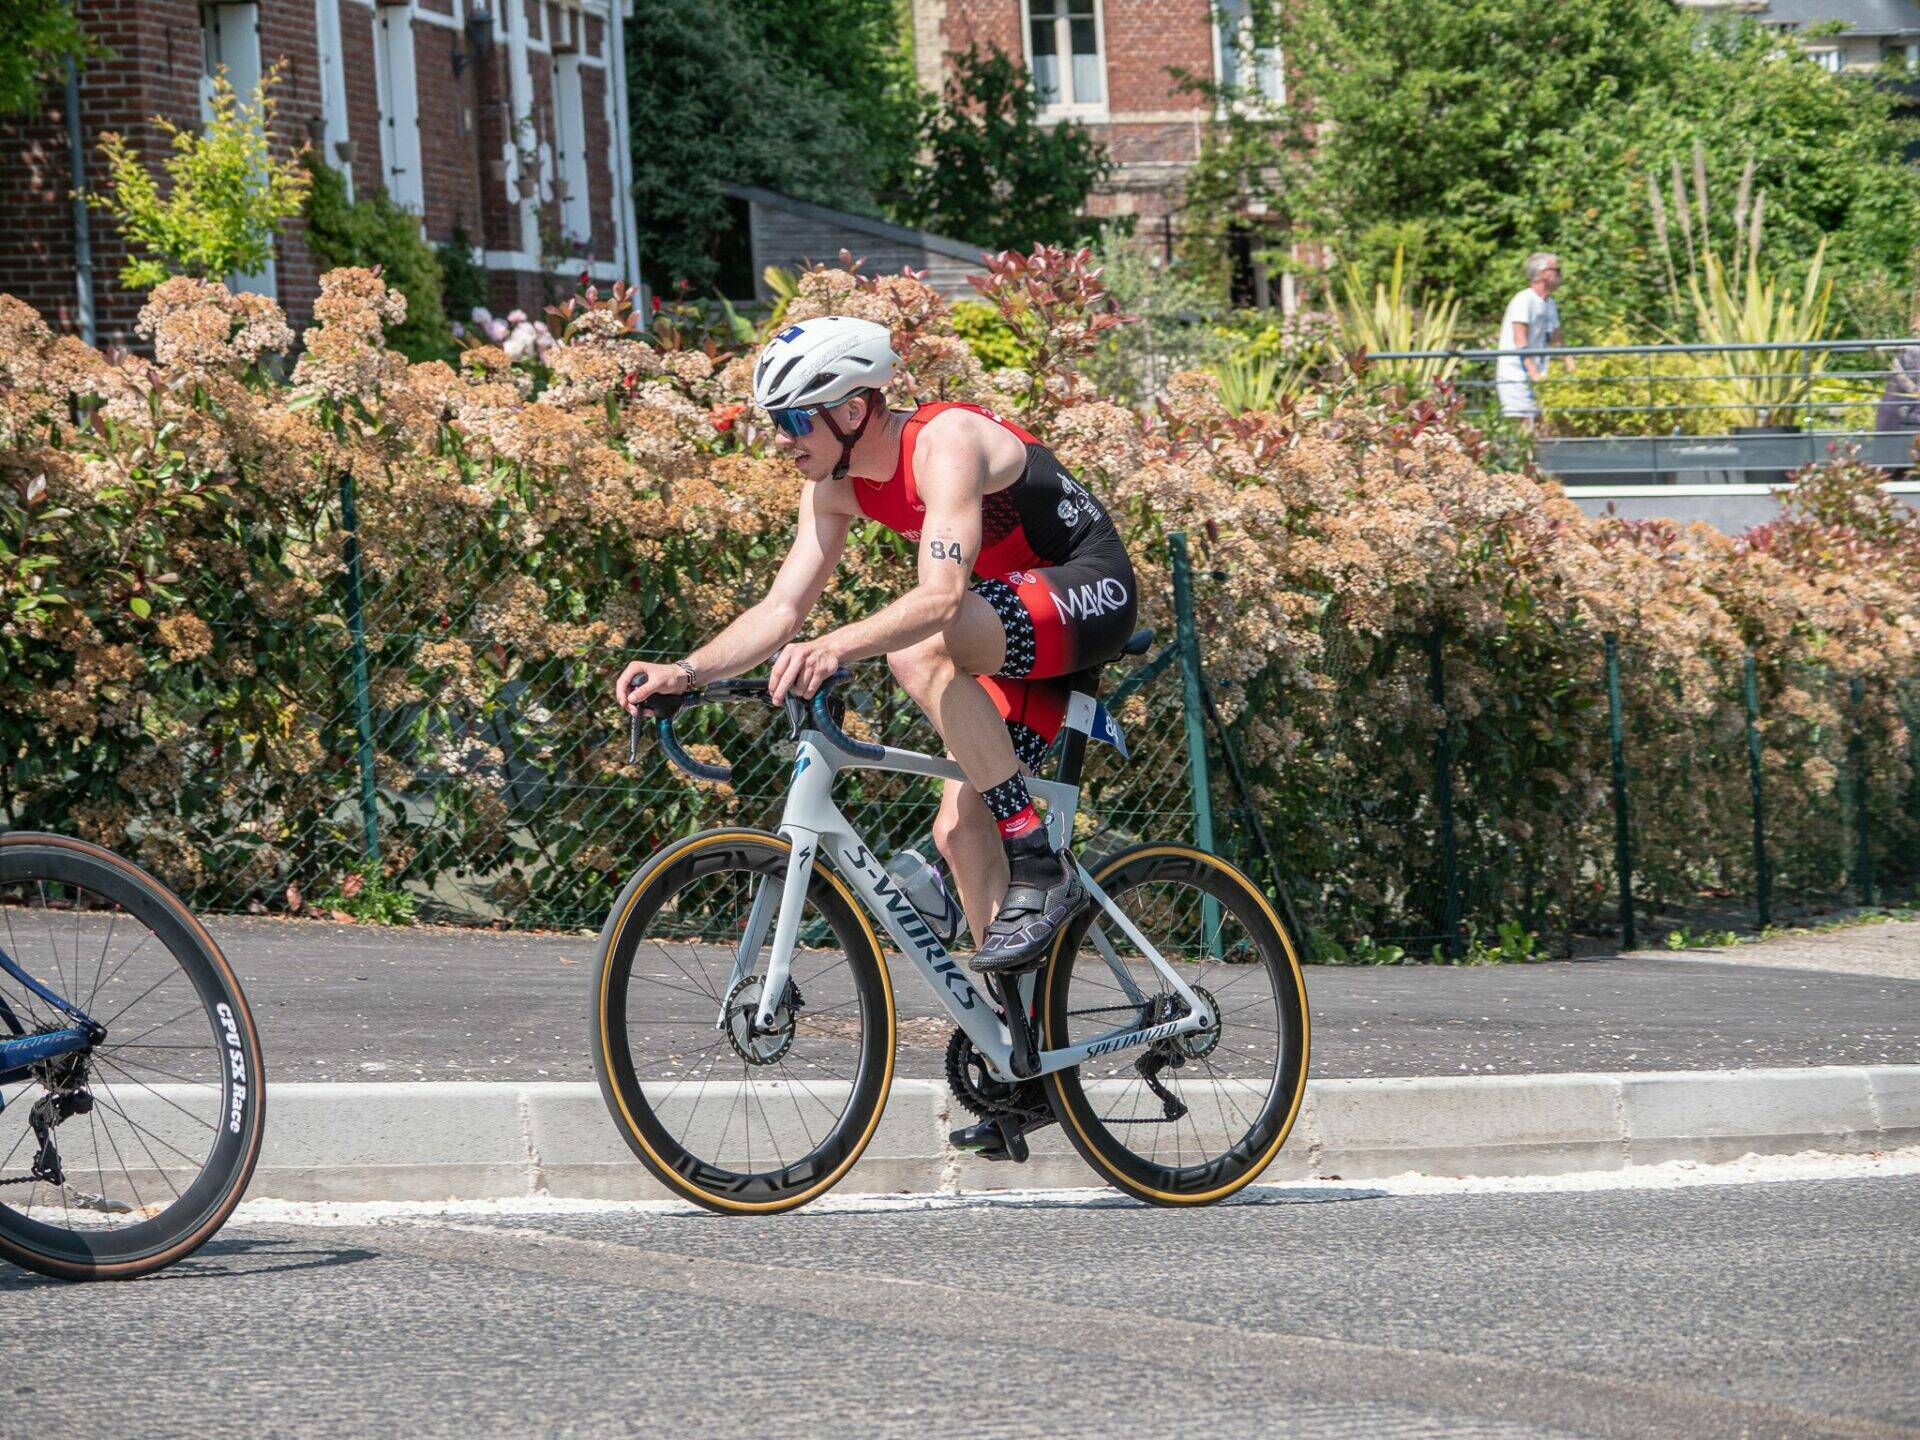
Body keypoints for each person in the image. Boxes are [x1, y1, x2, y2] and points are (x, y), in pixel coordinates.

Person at [615, 316, 1138, 974]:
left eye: (796, 421)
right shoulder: (832, 489)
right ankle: (1018, 1045)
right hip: (1006, 626)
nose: (782, 440)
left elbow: (943, 598)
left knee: (920, 647)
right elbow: (780, 609)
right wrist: (686, 671)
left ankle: (1037, 856)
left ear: (853, 409)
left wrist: (833, 647)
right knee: (958, 831)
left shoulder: (942, 443)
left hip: (1089, 592)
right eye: (777, 421)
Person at [1495, 252, 1568, 431]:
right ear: (1544, 273)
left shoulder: (1548, 303)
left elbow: (1556, 337)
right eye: (1556, 270)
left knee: (1545, 427)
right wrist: (1534, 374)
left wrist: (1569, 362)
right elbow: (1520, 342)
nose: (1560, 275)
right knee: (1526, 429)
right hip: (1517, 375)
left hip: (1537, 375)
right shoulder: (1523, 300)